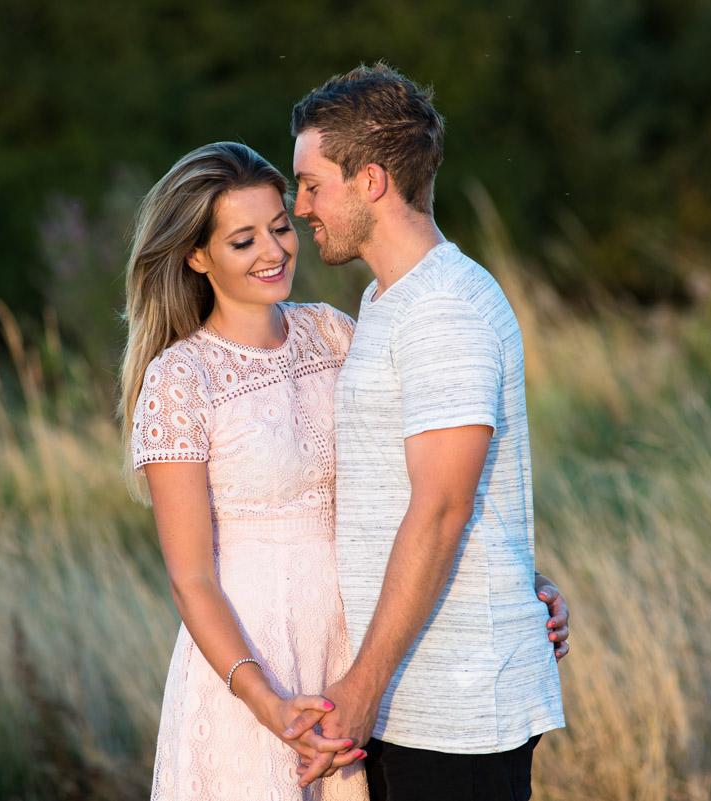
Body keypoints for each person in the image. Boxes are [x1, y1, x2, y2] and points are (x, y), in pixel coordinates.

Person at [118, 141, 570, 801]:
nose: (274, 251)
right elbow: (191, 580)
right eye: (243, 241)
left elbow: (418, 486)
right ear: (197, 256)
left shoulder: (331, 332)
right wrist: (266, 700)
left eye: (280, 227)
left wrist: (515, 578)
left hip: (352, 649)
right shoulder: (180, 378)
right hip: (252, 661)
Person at [280, 64, 566, 801]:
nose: (300, 207)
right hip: (420, 691)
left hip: (456, 706)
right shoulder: (389, 300)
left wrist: (362, 686)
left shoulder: (444, 309)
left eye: (312, 184)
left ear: (371, 180)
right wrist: (518, 578)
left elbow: (440, 508)